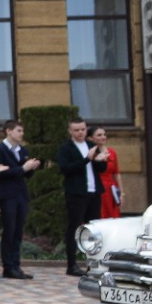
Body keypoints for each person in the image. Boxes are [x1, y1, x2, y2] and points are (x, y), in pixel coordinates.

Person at [0, 120, 41, 280]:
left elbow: (26, 175)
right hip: (7, 195)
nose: (22, 134)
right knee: (9, 230)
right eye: (19, 130)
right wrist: (22, 168)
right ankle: (8, 266)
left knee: (18, 231)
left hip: (21, 194)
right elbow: (0, 172)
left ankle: (16, 265)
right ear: (9, 131)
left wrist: (31, 168)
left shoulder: (22, 149)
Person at [57, 117, 107, 277]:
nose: (80, 133)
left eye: (83, 129)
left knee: (95, 229)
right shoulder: (66, 148)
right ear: (70, 131)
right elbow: (65, 169)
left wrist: (100, 160)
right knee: (75, 228)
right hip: (76, 193)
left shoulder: (91, 145)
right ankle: (71, 265)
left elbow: (101, 168)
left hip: (94, 192)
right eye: (76, 130)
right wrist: (87, 159)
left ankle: (94, 263)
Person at [94, 126, 122, 219]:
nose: (103, 137)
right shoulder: (91, 154)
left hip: (111, 189)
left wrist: (121, 192)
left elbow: (116, 173)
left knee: (112, 214)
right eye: (99, 135)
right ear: (91, 138)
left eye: (104, 134)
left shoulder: (112, 152)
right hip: (98, 188)